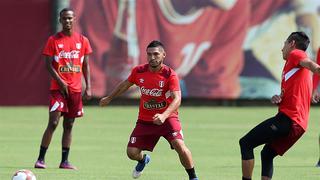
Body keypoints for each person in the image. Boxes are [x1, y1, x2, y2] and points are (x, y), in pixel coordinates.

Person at [99, 40, 198, 180]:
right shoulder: (139, 71)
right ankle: (143, 160)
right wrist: (109, 98)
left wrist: (164, 116)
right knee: (131, 153)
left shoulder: (170, 74)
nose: (152, 57)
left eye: (156, 54)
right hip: (145, 120)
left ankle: (193, 177)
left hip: (167, 119)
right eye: (149, 54)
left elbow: (177, 99)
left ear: (163, 55)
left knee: (179, 146)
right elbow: (125, 85)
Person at [239, 31, 320, 180]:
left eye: (284, 44)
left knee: (245, 143)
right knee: (267, 154)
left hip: (289, 120)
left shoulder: (296, 54)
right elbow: (296, 94)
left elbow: (310, 64)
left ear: (292, 44)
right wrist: (279, 98)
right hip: (299, 125)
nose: (281, 49)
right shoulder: (292, 70)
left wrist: (317, 69)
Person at [34, 8, 92, 170]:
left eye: (70, 18)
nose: (67, 21)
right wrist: (60, 81)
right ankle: (40, 159)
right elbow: (48, 65)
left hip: (75, 90)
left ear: (74, 19)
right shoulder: (53, 40)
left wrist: (88, 86)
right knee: (53, 122)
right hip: (58, 89)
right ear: (60, 20)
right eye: (64, 18)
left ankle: (64, 161)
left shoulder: (83, 40)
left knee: (69, 124)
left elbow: (85, 65)